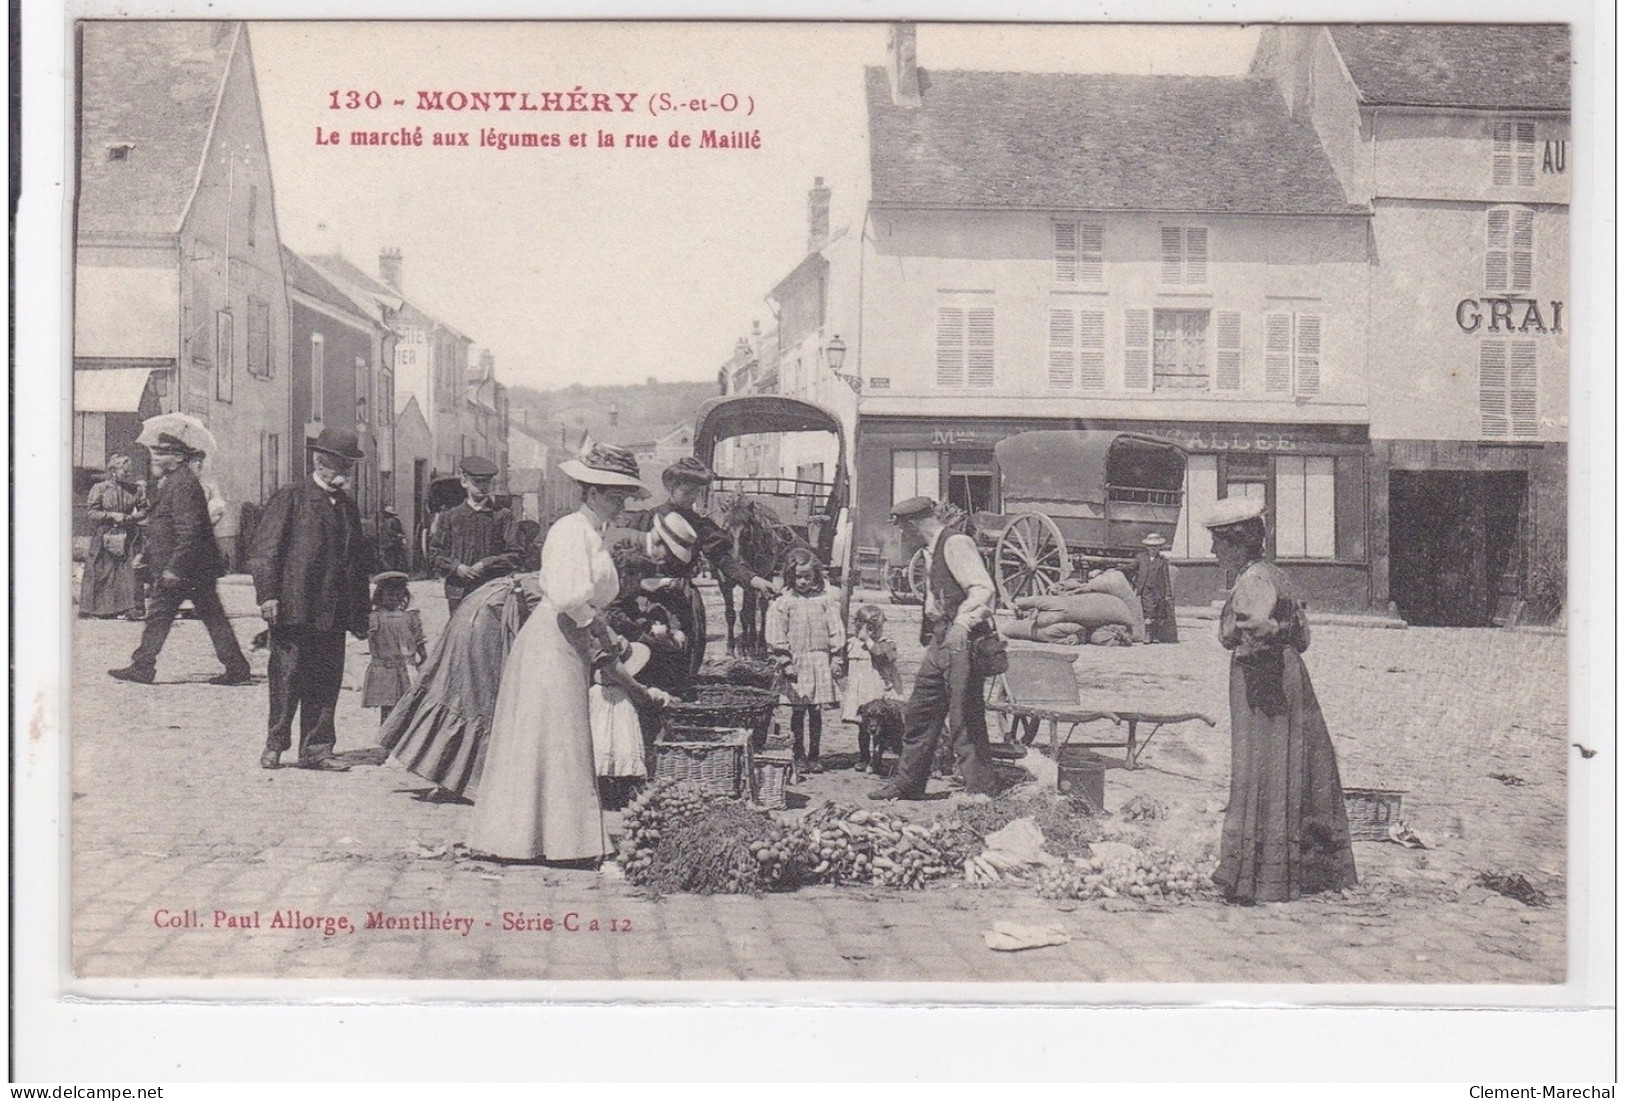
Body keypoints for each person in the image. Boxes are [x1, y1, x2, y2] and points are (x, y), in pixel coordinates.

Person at [467, 443, 649, 863]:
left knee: (561, 736)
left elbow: (588, 600)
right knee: (550, 735)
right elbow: (569, 596)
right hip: (551, 640)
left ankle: (563, 839)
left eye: (624, 495)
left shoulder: (594, 535)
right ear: (591, 493)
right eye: (614, 494)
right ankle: (528, 839)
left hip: (570, 639)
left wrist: (603, 633)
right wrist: (603, 632)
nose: (622, 503)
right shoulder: (570, 530)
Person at [1202, 496, 1358, 904]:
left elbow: (1256, 628)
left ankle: (1258, 875)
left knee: (1262, 767)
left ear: (1235, 543)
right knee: (1297, 766)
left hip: (1264, 681)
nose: (1213, 552)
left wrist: (1247, 645)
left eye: (1217, 543)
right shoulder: (1276, 575)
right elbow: (1302, 638)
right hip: (1289, 677)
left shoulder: (1252, 581)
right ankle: (1306, 869)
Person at [248, 426, 373, 771]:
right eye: (339, 466)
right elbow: (264, 551)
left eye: (349, 468)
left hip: (333, 610)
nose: (345, 475)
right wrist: (268, 595)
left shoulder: (347, 507)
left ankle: (317, 748)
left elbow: (358, 564)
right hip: (295, 606)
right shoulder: (292, 497)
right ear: (319, 462)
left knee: (326, 678)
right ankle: (275, 745)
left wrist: (361, 613)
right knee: (287, 677)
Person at [871, 496, 999, 800]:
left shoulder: (955, 544)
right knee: (920, 712)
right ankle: (908, 783)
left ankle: (981, 792)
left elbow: (983, 589)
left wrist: (962, 624)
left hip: (963, 642)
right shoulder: (930, 551)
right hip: (939, 642)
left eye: (902, 528)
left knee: (964, 717)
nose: (901, 535)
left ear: (913, 524)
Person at [380, 571, 543, 801]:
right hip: (487, 618)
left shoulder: (540, 581)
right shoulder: (563, 590)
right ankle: (462, 782)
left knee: (457, 693)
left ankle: (450, 777)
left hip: (474, 609)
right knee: (477, 700)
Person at [108, 437, 251, 687]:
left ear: (177, 458)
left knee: (166, 616)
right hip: (190, 568)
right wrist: (148, 554)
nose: (155, 458)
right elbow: (164, 526)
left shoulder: (183, 484)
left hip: (184, 569)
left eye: (162, 454)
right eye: (155, 453)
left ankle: (144, 666)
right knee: (204, 617)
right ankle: (236, 667)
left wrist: (175, 567)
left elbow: (190, 531)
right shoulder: (173, 482)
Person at [632, 456, 778, 675]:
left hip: (682, 599)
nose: (692, 498)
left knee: (684, 658)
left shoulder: (700, 524)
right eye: (687, 492)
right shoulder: (647, 519)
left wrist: (754, 580)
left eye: (697, 493)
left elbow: (724, 560)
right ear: (671, 487)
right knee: (649, 656)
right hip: (647, 599)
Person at [766, 548, 845, 773]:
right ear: (790, 576)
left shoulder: (825, 600)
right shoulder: (784, 602)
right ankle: (798, 754)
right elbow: (776, 632)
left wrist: (836, 656)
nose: (802, 581)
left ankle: (815, 755)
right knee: (798, 710)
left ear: (815, 576)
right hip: (796, 663)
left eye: (807, 577)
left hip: (819, 659)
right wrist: (784, 660)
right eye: (798, 577)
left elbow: (835, 627)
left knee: (816, 711)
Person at [429, 456, 523, 616]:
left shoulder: (503, 516)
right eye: (477, 482)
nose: (483, 487)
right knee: (461, 637)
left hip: (493, 590)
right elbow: (435, 553)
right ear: (464, 481)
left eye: (487, 482)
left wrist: (486, 564)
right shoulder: (451, 516)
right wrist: (456, 567)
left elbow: (516, 554)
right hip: (458, 591)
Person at [80, 453, 147, 620]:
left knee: (129, 571)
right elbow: (92, 513)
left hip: (128, 533)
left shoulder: (136, 489)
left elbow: (145, 510)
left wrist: (131, 518)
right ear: (113, 471)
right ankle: (97, 609)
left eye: (129, 471)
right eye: (124, 471)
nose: (128, 474)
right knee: (100, 569)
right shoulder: (100, 488)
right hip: (105, 533)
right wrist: (110, 515)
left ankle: (131, 608)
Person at [362, 572, 426, 725]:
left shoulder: (410, 617)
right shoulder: (375, 617)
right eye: (390, 594)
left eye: (399, 594)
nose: (394, 598)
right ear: (380, 595)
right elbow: (368, 636)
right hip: (385, 668)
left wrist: (423, 656)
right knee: (388, 706)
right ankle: (387, 739)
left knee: (408, 704)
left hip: (407, 667)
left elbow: (419, 639)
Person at [839, 604, 901, 727]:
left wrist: (867, 639)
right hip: (859, 691)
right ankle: (865, 747)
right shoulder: (852, 644)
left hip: (877, 690)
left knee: (883, 724)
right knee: (863, 724)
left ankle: (883, 746)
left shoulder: (885, 643)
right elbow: (846, 666)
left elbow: (879, 653)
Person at [1134, 533, 1179, 643]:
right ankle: (1148, 635)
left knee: (1158, 613)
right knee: (1148, 611)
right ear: (1147, 547)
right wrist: (1118, 569)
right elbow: (1132, 568)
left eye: (1156, 546)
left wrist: (1168, 593)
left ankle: (1156, 635)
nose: (1153, 548)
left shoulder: (1162, 560)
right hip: (1146, 589)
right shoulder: (1141, 558)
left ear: (1160, 547)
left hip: (1158, 590)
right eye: (1151, 546)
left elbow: (1166, 577)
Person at [377, 505, 409, 574]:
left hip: (390, 543)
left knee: (389, 559)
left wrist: (396, 537)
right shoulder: (396, 520)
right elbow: (400, 531)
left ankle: (391, 572)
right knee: (396, 558)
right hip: (395, 543)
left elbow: (390, 532)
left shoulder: (389, 521)